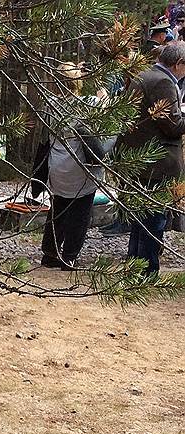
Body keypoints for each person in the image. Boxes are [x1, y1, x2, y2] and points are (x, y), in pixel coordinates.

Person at [116, 42, 185, 275]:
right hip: (156, 162)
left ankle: (135, 265)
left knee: (141, 217)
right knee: (153, 219)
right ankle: (146, 271)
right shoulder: (163, 82)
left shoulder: (145, 74)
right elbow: (173, 126)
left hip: (140, 159)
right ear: (178, 64)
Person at [41, 63, 111, 270]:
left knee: (58, 209)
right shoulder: (87, 104)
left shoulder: (49, 105)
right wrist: (101, 89)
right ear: (77, 82)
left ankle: (50, 253)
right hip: (79, 168)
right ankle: (69, 257)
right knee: (80, 213)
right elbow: (107, 109)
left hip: (56, 166)